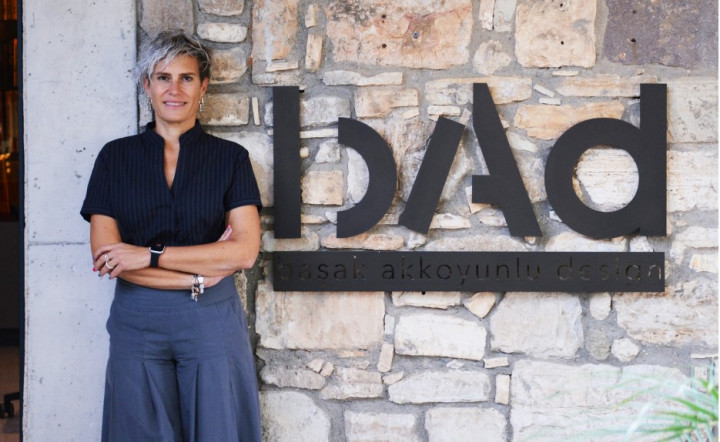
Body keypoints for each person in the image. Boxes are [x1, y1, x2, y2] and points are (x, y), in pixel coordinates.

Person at [80, 30, 262, 441]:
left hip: (211, 320)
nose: (174, 89)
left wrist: (148, 254)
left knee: (218, 429)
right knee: (138, 432)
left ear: (203, 87)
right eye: (163, 77)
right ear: (147, 85)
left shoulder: (230, 159)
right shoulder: (114, 158)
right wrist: (199, 275)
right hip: (138, 320)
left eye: (186, 78)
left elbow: (244, 252)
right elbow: (108, 258)